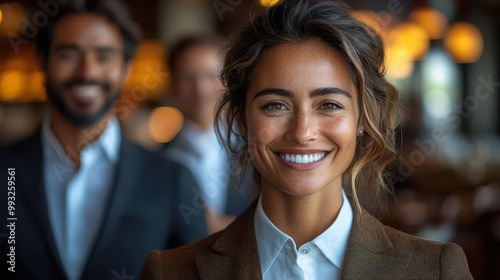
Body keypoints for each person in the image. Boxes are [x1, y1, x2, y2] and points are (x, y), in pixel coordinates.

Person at [140, 0, 473, 279]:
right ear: (241, 119)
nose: (302, 132)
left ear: (362, 119)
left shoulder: (436, 269)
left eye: (329, 105)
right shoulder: (169, 272)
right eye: (275, 105)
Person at [0, 1, 206, 279]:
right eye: (68, 54)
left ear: (126, 68)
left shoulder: (171, 180)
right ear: (43, 62)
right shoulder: (5, 170)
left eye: (104, 56)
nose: (87, 72)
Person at [162, 36, 257, 234]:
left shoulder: (255, 151)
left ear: (227, 83)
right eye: (188, 77)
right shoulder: (158, 161)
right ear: (173, 85)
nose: (201, 89)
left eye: (211, 76)